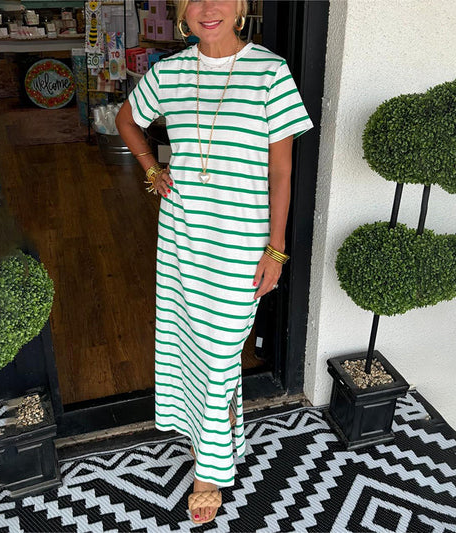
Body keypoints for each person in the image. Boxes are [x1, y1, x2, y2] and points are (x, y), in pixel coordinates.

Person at [115, 0, 313, 524]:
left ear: (242, 6)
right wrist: (152, 168)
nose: (208, 9)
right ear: (182, 10)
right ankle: (212, 437)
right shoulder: (171, 71)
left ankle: (209, 469)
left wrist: (275, 248)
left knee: (222, 350)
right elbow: (126, 119)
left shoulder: (269, 72)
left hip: (242, 241)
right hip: (183, 234)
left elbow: (281, 172)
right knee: (188, 341)